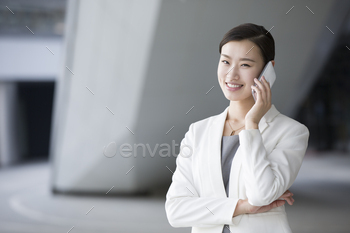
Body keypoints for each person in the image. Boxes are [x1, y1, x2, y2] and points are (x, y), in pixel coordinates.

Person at [165, 23, 309, 233]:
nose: (231, 75)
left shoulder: (291, 132)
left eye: (245, 65)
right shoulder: (198, 132)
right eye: (225, 61)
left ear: (268, 71)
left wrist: (252, 126)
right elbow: (176, 210)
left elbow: (262, 194)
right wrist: (242, 207)